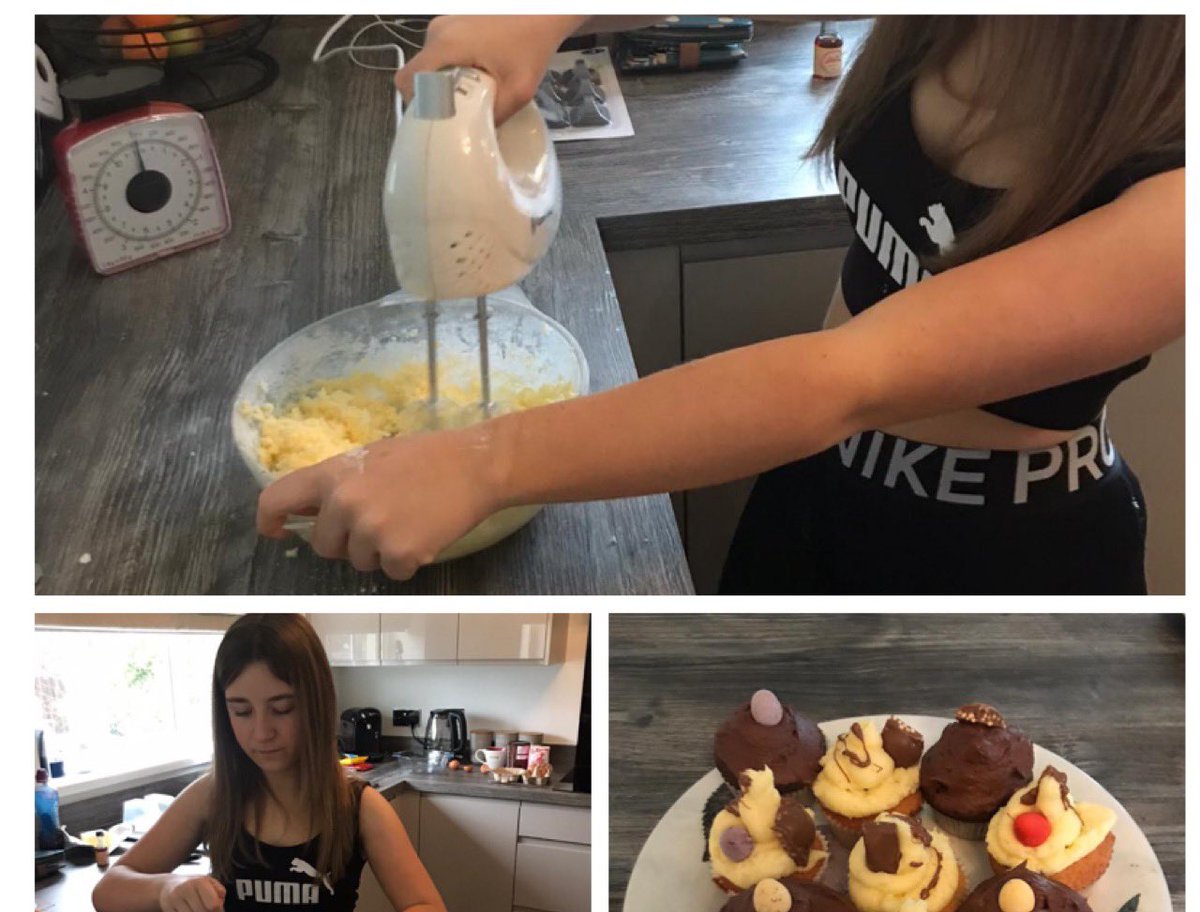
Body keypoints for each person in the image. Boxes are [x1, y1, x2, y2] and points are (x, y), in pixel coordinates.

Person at [257, 15, 1184, 594]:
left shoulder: (1172, 202)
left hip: (1006, 554)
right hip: (813, 477)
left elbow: (840, 379)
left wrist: (480, 464)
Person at [92, 614, 452, 912]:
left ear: (316, 705)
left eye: (282, 708)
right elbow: (108, 892)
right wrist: (164, 888)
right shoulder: (214, 796)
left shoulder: (358, 805)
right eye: (241, 711)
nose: (261, 732)